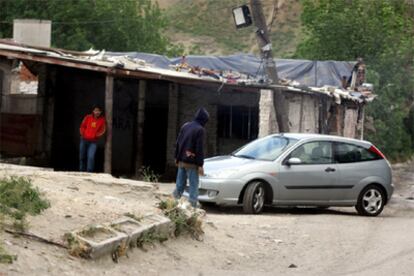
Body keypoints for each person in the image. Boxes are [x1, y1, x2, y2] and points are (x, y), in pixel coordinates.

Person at [173, 107, 209, 208]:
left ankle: (172, 203)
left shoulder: (185, 126)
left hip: (181, 161)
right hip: (192, 163)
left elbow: (178, 143)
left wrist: (176, 157)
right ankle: (192, 207)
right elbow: (199, 149)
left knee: (179, 185)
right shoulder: (200, 130)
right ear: (204, 120)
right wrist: (200, 165)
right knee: (193, 186)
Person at [79, 105, 106, 172]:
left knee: (91, 157)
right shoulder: (87, 117)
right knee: (82, 157)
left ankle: (89, 172)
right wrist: (83, 134)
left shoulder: (102, 120)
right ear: (93, 111)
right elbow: (82, 126)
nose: (97, 112)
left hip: (93, 142)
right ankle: (81, 171)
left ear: (101, 112)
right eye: (95, 110)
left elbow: (103, 130)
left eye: (98, 111)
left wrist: (95, 136)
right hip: (84, 140)